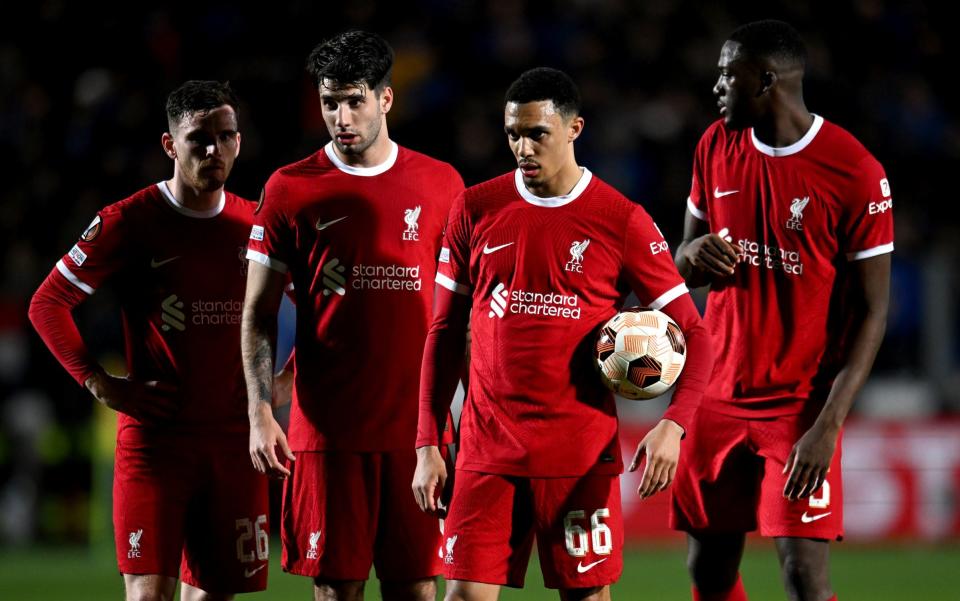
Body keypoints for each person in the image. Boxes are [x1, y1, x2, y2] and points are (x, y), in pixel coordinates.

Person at [412, 67, 714, 601]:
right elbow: (442, 331)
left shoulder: (621, 220)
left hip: (578, 457)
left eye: (537, 134)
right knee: (461, 596)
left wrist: (674, 426)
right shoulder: (475, 208)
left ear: (575, 128)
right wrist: (428, 443)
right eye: (513, 134)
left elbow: (695, 332)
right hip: (486, 452)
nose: (522, 148)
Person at [670, 20, 894, 601]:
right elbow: (680, 262)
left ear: (766, 80)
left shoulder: (855, 171)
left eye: (728, 74)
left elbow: (873, 312)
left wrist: (828, 426)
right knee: (709, 571)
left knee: (802, 575)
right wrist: (690, 254)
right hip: (714, 393)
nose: (716, 84)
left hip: (798, 406)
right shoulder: (714, 145)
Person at [242, 30, 464, 601]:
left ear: (386, 100)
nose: (340, 116)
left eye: (354, 100)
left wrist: (468, 406)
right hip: (327, 433)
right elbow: (258, 310)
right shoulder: (289, 188)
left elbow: (460, 312)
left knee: (417, 589)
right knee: (337, 591)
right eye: (329, 101)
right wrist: (260, 409)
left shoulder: (441, 185)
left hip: (417, 435)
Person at [28, 80, 269, 601]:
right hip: (156, 444)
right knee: (147, 593)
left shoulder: (254, 223)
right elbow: (46, 304)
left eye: (226, 137)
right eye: (198, 139)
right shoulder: (129, 221)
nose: (214, 150)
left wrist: (281, 383)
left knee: (213, 594)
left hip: (233, 444)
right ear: (169, 145)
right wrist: (99, 383)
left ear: (239, 141)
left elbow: (318, 305)